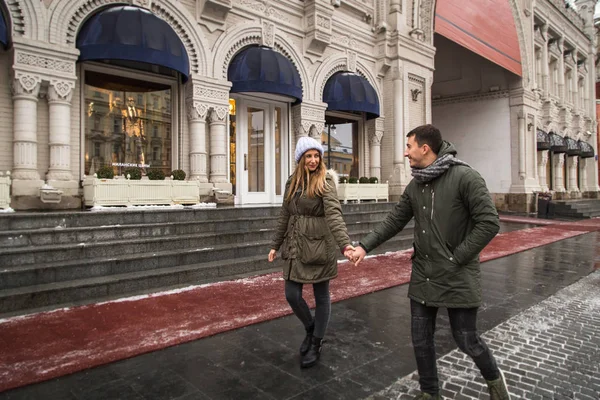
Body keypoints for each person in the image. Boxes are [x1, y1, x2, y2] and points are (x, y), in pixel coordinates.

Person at [349, 125, 511, 400]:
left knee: (466, 340)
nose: (405, 152)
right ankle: (429, 393)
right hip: (424, 274)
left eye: (409, 146)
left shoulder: (465, 177)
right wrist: (364, 246)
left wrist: (457, 257)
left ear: (425, 148)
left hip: (457, 274)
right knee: (421, 340)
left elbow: (489, 223)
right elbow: (394, 220)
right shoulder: (416, 185)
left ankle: (495, 382)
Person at [268, 135, 354, 368]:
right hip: (296, 245)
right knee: (292, 294)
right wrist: (275, 244)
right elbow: (285, 215)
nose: (314, 160)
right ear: (301, 159)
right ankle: (310, 328)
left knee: (321, 296)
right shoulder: (291, 183)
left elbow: (334, 214)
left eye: (317, 156)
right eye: (309, 156)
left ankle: (316, 342)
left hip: (318, 246)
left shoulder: (325, 181)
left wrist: (344, 244)